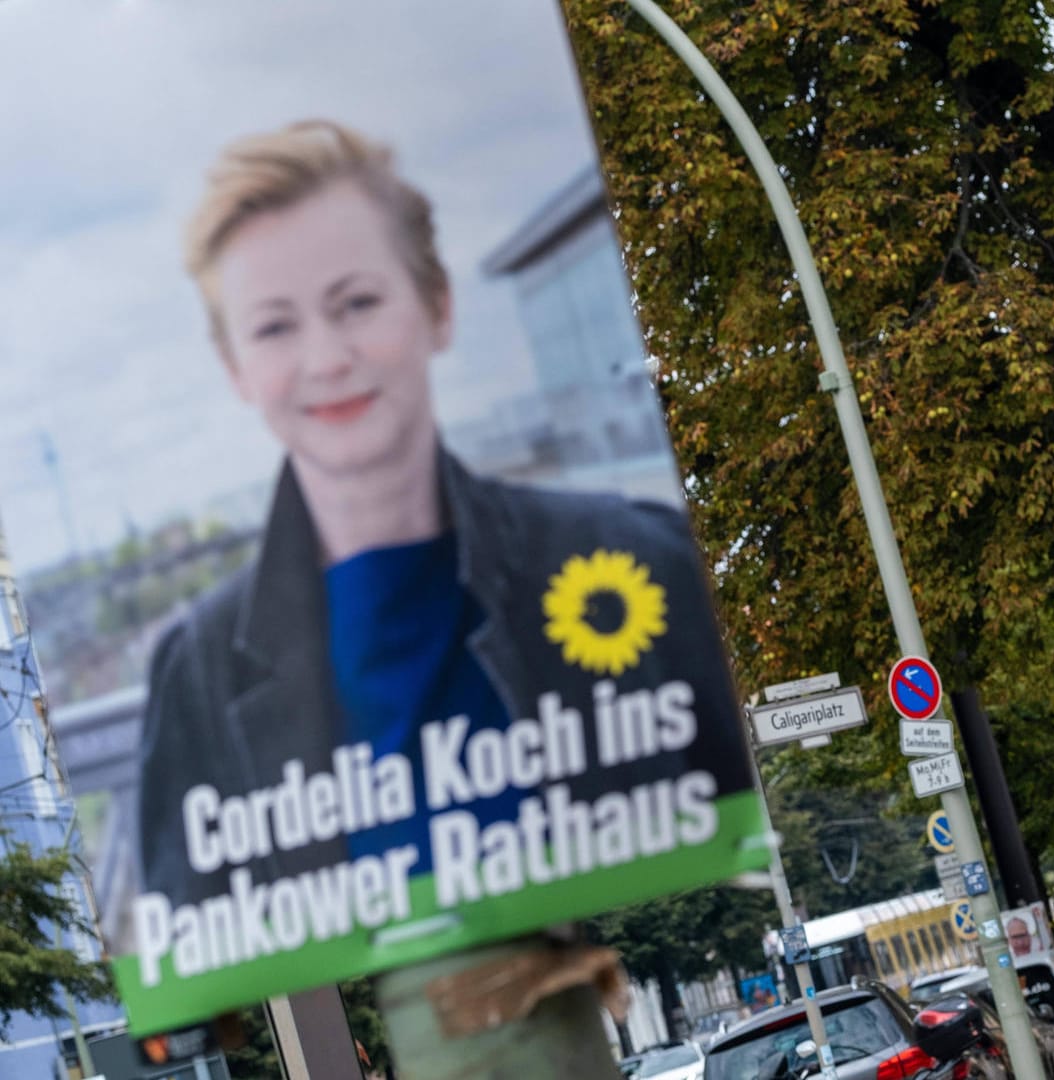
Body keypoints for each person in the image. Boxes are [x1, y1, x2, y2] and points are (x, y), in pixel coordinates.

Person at [137, 120, 743, 905]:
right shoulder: (198, 674)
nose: (326, 358)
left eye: (356, 302)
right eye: (276, 325)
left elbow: (735, 843)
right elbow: (196, 968)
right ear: (236, 369)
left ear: (437, 306)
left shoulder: (639, 558)